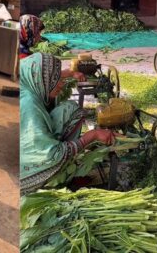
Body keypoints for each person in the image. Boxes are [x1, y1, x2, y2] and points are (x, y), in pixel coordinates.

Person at [20, 53, 117, 194]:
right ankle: (52, 178)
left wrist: (69, 73)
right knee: (57, 158)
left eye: (59, 78)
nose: (61, 84)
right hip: (27, 168)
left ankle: (64, 152)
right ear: (41, 81)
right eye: (56, 81)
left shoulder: (26, 80)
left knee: (71, 110)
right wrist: (93, 136)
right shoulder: (30, 107)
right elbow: (53, 155)